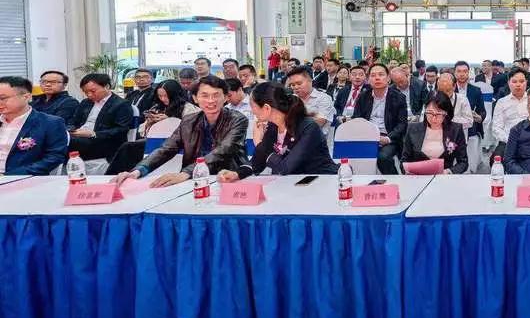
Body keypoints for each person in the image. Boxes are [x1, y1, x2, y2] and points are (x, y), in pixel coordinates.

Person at [114, 76, 249, 187]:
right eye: (204, 95)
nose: (210, 101)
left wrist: (186, 173)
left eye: (216, 95)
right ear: (195, 98)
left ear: (225, 98)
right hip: (192, 180)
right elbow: (166, 149)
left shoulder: (238, 119)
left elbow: (223, 151)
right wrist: (138, 171)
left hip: (227, 177)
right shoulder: (189, 121)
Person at [217, 82, 338, 182]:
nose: (252, 111)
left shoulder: (308, 127)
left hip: (321, 181)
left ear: (266, 108)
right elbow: (257, 163)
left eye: (253, 106)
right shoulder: (273, 126)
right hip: (292, 185)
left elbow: (285, 168)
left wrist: (259, 143)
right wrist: (237, 174)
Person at [343, 64, 409, 174]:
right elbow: (357, 119)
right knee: (349, 155)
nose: (377, 78)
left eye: (381, 74)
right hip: (366, 137)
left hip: (388, 138)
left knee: (383, 157)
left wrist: (387, 138)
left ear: (388, 78)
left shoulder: (398, 97)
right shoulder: (363, 96)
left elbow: (402, 124)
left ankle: (395, 180)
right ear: (368, 80)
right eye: (373, 75)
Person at [0, 76, 68, 175]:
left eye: (2, 98)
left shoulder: (50, 123)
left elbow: (54, 157)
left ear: (26, 97)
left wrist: (9, 176)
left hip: (21, 178)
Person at [68, 73, 135, 162]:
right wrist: (70, 130)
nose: (89, 95)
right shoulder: (86, 102)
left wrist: (93, 134)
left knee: (62, 143)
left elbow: (121, 129)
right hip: (79, 136)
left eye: (93, 91)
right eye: (85, 92)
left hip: (102, 141)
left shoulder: (121, 104)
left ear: (106, 86)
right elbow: (74, 121)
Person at [400, 91, 469, 174]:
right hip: (418, 177)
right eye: (430, 113)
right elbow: (404, 161)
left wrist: (449, 171)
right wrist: (407, 171)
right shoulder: (413, 129)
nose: (434, 118)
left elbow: (463, 163)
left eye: (438, 114)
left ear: (446, 113)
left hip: (445, 177)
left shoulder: (455, 130)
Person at [285, 67, 337, 138]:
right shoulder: (291, 99)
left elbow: (320, 122)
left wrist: (294, 119)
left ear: (310, 81)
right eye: (292, 85)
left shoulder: (324, 98)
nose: (296, 87)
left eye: (299, 83)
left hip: (317, 140)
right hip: (293, 138)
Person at [491, 68, 530, 160]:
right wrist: (511, 139)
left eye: (521, 81)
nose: (518, 85)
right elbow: (496, 128)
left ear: (526, 82)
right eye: (514, 81)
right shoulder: (502, 102)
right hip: (507, 141)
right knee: (495, 160)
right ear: (509, 83)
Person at [453, 60, 486, 145]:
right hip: (452, 128)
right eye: (459, 71)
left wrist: (480, 117)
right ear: (454, 73)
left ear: (468, 73)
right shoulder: (450, 90)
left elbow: (482, 110)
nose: (462, 74)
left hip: (470, 129)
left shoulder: (476, 90)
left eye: (465, 71)